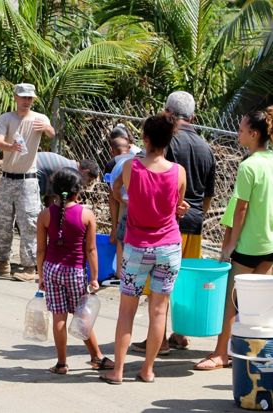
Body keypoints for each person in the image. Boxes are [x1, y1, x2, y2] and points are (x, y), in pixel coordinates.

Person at [101, 113, 186, 384]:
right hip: (169, 246)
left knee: (127, 310)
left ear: (145, 139)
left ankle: (117, 371)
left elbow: (116, 190)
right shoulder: (178, 172)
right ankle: (148, 369)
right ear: (169, 140)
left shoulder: (130, 167)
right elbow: (177, 206)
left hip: (138, 247)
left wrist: (130, 200)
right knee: (159, 311)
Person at [131, 91, 216, 354]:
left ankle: (160, 341)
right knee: (181, 282)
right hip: (194, 222)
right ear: (192, 116)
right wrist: (196, 214)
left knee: (159, 287)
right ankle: (179, 334)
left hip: (168, 225)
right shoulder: (206, 147)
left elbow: (159, 178)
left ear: (167, 112)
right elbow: (209, 195)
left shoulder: (166, 141)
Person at [194, 108, 273, 370]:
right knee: (259, 305)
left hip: (249, 244)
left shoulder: (249, 166)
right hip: (270, 244)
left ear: (253, 134)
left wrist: (229, 245)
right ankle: (252, 353)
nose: (237, 134)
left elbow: (240, 208)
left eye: (241, 130)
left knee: (232, 301)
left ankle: (220, 353)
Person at [37, 167, 114, 374]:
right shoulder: (86, 215)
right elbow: (91, 249)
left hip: (52, 270)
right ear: (78, 190)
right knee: (82, 316)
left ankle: (62, 364)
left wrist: (41, 275)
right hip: (75, 272)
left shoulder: (45, 215)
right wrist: (95, 278)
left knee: (58, 317)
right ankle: (96, 357)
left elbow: (41, 250)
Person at [0, 83, 55, 281]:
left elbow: (52, 134)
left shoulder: (40, 118)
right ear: (15, 97)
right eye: (23, 97)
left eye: (29, 98)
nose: (26, 101)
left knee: (29, 222)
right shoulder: (7, 118)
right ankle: (2, 262)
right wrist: (9, 146)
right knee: (2, 220)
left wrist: (47, 128)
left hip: (27, 179)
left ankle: (30, 267)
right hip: (7, 178)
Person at [104, 136, 132, 280]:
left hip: (123, 201)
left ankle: (120, 273)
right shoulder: (138, 157)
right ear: (129, 148)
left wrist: (113, 228)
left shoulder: (112, 163)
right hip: (140, 201)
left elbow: (112, 197)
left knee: (121, 235)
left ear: (112, 151)